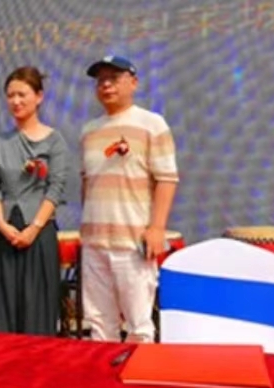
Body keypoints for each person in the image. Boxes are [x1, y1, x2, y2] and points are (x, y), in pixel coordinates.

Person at [79, 55, 179, 342]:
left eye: (114, 78)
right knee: (98, 322)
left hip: (133, 242)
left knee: (138, 324)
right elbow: (86, 182)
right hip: (95, 242)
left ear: (133, 83)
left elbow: (167, 179)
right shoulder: (89, 131)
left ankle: (140, 371)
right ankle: (101, 371)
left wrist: (157, 228)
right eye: (100, 80)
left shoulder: (152, 124)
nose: (106, 85)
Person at [0, 66, 69, 335]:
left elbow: (55, 188)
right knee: (6, 308)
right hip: (6, 231)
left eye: (22, 94)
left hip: (39, 232)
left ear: (39, 97)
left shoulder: (54, 140)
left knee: (38, 308)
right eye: (10, 95)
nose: (16, 101)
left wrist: (34, 229)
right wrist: (1, 224)